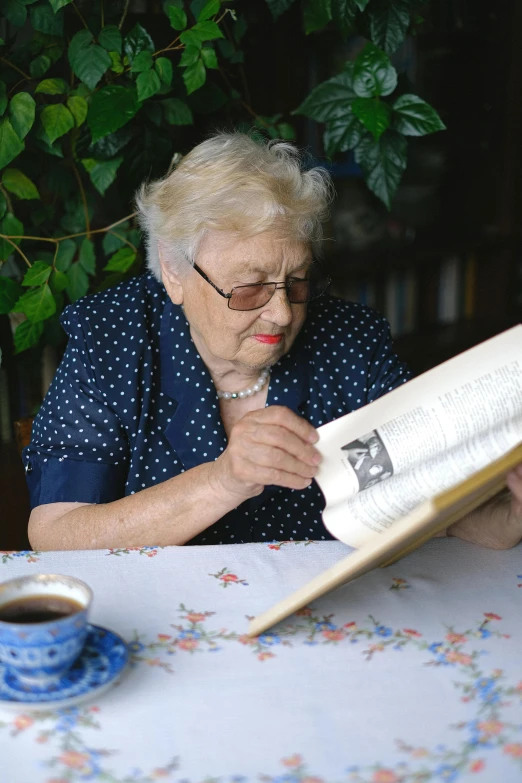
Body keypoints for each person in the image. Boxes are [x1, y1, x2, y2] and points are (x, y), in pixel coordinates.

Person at [24, 133, 522, 551]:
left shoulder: (351, 342)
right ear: (174, 274)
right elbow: (57, 532)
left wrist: (508, 516)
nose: (282, 313)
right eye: (250, 287)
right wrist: (223, 480)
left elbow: (430, 494)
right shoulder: (112, 339)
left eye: (298, 282)